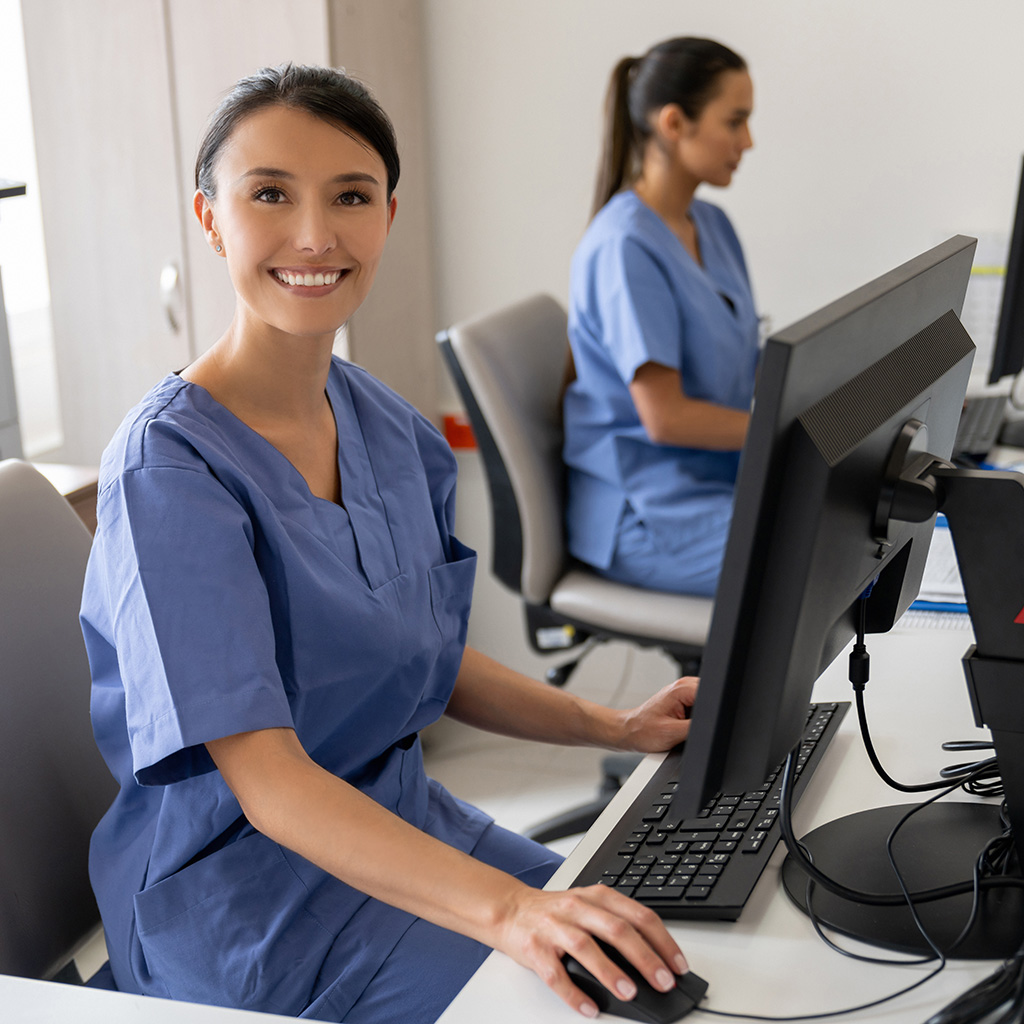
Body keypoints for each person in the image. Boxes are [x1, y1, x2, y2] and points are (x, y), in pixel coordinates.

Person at [80, 64, 701, 1024]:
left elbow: (418, 655)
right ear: (209, 218)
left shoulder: (385, 424)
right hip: (254, 909)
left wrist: (614, 728)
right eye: (270, 194)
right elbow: (272, 784)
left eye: (351, 197)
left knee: (656, 952)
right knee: (585, 995)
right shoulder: (169, 472)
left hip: (401, 825)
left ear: (388, 217)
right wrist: (511, 913)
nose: (316, 235)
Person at [563, 37, 759, 598]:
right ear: (674, 123)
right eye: (735, 121)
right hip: (648, 515)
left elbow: (747, 357)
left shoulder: (713, 226)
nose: (748, 141)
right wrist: (792, 433)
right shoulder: (624, 247)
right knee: (824, 552)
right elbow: (665, 419)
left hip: (713, 487)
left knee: (856, 521)